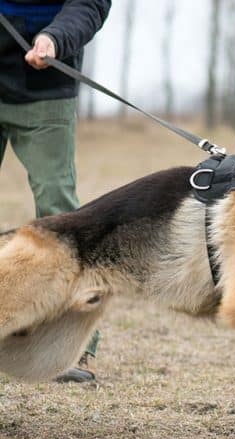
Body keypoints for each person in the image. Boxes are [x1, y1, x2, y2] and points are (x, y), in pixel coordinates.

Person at [0, 0, 111, 382]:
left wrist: (56, 38)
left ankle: (72, 351)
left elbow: (90, 3)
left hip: (45, 83)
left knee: (59, 209)